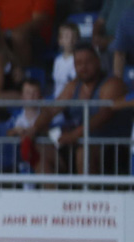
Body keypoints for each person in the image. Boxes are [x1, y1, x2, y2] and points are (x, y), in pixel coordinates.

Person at [23, 45, 127, 176]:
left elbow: (103, 115)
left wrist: (74, 135)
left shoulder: (113, 84)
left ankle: (87, 195)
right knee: (39, 149)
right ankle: (50, 194)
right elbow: (51, 110)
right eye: (78, 63)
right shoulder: (74, 85)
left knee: (83, 152)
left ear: (98, 62)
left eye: (88, 62)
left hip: (110, 147)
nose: (83, 67)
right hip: (77, 142)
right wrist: (34, 128)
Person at [51, 22, 79, 98]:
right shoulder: (57, 61)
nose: (70, 41)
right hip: (57, 100)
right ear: (60, 40)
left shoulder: (79, 60)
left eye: (73, 37)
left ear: (77, 40)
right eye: (67, 37)